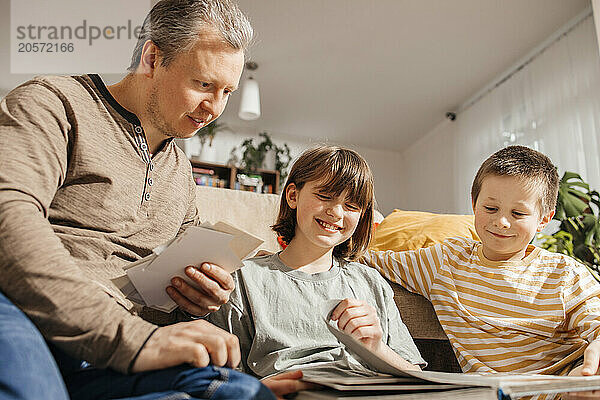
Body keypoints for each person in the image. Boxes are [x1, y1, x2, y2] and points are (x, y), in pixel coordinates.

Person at [0, 0, 290, 398]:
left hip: (113, 352)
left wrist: (192, 300)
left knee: (240, 392)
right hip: (26, 312)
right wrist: (133, 339)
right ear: (152, 58)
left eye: (226, 92)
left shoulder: (180, 172)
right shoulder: (55, 102)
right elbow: (9, 222)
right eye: (204, 84)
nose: (215, 108)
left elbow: (160, 300)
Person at [363, 145, 600, 399]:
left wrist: (590, 369)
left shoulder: (565, 274)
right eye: (490, 209)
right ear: (474, 204)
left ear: (543, 219)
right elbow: (370, 258)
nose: (501, 222)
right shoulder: (445, 260)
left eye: (518, 213)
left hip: (565, 391)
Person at [207, 146, 425, 390]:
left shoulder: (371, 282)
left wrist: (376, 347)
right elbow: (219, 377)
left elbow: (417, 378)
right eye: (325, 196)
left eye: (351, 206)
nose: (336, 212)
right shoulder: (244, 277)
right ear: (293, 195)